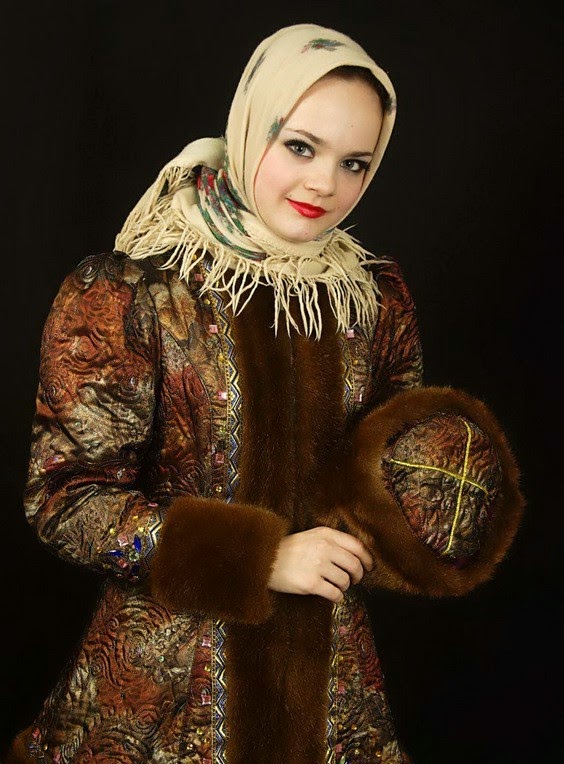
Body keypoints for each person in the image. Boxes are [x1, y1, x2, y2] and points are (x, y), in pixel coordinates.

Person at [7, 23, 524, 764]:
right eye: (301, 147)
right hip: (167, 699)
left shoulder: (371, 301)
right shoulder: (134, 293)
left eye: (354, 163)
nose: (325, 185)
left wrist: (439, 496)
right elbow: (65, 499)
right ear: (253, 123)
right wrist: (258, 558)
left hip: (327, 691)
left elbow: (380, 495)